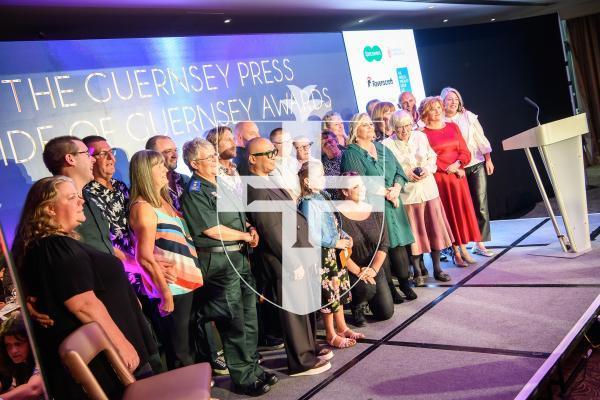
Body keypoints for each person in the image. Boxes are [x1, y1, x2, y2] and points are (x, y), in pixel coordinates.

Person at [13, 176, 155, 398]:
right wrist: (120, 344)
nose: (81, 201)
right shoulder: (55, 247)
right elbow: (83, 304)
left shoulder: (56, 245)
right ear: (50, 209)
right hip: (110, 359)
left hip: (114, 353)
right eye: (72, 198)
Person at [181, 138, 276, 396]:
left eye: (214, 155)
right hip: (220, 262)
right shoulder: (195, 191)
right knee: (233, 322)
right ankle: (243, 378)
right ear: (193, 163)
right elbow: (211, 229)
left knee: (249, 317)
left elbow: (238, 215)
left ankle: (254, 368)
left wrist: (250, 229)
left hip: (239, 258)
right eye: (208, 157)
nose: (215, 160)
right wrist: (244, 236)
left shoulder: (219, 182)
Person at [246, 137, 332, 377]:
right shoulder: (254, 187)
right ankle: (301, 361)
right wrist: (293, 261)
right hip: (283, 258)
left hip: (296, 250)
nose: (274, 157)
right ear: (253, 159)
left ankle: (309, 348)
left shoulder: (267, 181)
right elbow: (271, 229)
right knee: (293, 310)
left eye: (274, 152)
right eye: (268, 154)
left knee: (304, 304)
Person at [129, 150, 204, 370]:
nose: (165, 169)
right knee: (180, 352)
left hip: (186, 283)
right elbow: (143, 257)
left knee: (189, 347)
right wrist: (165, 294)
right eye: (158, 166)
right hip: (172, 288)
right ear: (144, 173)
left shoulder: (164, 200)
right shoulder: (143, 208)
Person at [341, 113, 415, 304]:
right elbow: (359, 180)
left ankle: (405, 283)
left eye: (370, 124)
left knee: (399, 246)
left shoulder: (382, 148)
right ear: (355, 131)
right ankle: (390, 288)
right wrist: (386, 193)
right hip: (374, 207)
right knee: (383, 247)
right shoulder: (351, 153)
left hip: (393, 202)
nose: (371, 127)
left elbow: (399, 171)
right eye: (365, 125)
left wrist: (396, 189)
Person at [297, 162, 363, 348]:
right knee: (329, 294)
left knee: (339, 290)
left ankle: (342, 326)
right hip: (323, 255)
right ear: (308, 181)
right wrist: (335, 242)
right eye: (319, 176)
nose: (324, 178)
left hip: (334, 251)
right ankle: (330, 333)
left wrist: (344, 235)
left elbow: (333, 222)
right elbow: (311, 234)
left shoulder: (323, 196)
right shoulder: (309, 203)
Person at [383, 111, 453, 283]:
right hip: (408, 195)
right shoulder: (387, 144)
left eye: (407, 126)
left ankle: (437, 268)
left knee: (434, 231)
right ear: (393, 128)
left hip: (428, 191)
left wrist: (427, 170)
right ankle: (418, 271)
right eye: (399, 128)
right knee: (414, 235)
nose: (404, 131)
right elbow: (389, 169)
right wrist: (406, 173)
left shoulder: (420, 137)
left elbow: (432, 157)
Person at [419, 96, 481, 267]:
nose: (438, 111)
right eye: (433, 109)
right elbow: (426, 158)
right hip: (441, 179)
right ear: (425, 113)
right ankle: (455, 252)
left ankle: (464, 248)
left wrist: (458, 164)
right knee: (448, 215)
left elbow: (465, 151)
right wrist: (447, 167)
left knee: (461, 213)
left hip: (458, 178)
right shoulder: (422, 134)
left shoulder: (453, 126)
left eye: (439, 107)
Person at [441, 87, 495, 257]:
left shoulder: (467, 116)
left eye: (456, 99)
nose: (454, 102)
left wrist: (488, 159)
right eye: (450, 99)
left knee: (480, 203)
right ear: (442, 101)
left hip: (475, 163)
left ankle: (480, 243)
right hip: (454, 169)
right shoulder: (438, 120)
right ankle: (459, 244)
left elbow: (481, 137)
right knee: (461, 207)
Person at [337, 172, 394, 327]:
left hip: (373, 265)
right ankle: (357, 306)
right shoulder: (336, 214)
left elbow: (384, 244)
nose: (361, 189)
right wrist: (358, 271)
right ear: (345, 191)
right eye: (355, 186)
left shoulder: (376, 210)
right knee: (366, 289)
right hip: (350, 267)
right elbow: (338, 250)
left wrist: (373, 270)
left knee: (386, 313)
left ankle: (369, 295)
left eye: (362, 184)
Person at [0, 313, 44, 399]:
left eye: (18, 344)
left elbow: (34, 389)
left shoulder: (43, 357)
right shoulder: (19, 362)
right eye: (8, 345)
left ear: (31, 342)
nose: (13, 351)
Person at [145, 135, 189, 212]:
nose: (175, 155)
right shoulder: (146, 188)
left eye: (175, 150)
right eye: (168, 151)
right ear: (152, 156)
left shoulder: (185, 180)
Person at [269, 128, 301, 201]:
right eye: (285, 142)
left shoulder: (294, 160)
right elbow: (286, 193)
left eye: (290, 141)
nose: (290, 145)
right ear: (274, 146)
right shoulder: (272, 166)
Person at [321, 131, 344, 200]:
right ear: (322, 149)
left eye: (330, 141)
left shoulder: (348, 156)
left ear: (336, 141)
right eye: (325, 144)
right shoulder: (321, 163)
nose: (328, 145)